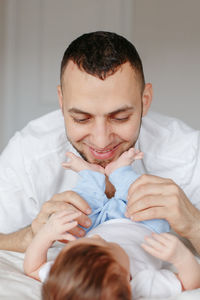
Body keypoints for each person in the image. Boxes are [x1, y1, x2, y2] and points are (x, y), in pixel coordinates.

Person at [0, 31, 200, 253]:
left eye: (120, 117)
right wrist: (29, 236)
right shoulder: (28, 153)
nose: (101, 141)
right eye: (82, 119)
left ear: (145, 101)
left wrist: (194, 225)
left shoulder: (186, 153)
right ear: (61, 101)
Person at [24, 211, 200, 299]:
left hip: (100, 219)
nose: (98, 236)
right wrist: (181, 257)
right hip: (145, 224)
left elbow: (32, 268)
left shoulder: (64, 278)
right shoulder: (143, 282)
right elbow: (190, 282)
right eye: (105, 244)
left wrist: (46, 234)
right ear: (125, 276)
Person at [61, 147, 170, 234]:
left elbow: (43, 263)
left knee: (77, 220)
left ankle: (90, 176)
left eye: (120, 118)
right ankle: (121, 171)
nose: (101, 143)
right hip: (141, 224)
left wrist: (45, 236)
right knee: (156, 215)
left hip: (93, 230)